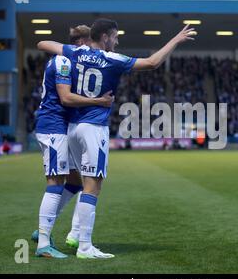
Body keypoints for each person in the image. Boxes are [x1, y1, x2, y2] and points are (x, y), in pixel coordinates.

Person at [37, 18, 195, 259]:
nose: (117, 41)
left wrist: (70, 47)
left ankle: (72, 236)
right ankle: (85, 246)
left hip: (72, 127)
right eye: (115, 36)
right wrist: (175, 39)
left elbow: (44, 44)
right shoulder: (113, 59)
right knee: (93, 185)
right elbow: (153, 62)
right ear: (105, 37)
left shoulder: (75, 52)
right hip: (94, 127)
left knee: (80, 181)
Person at [33, 25, 114, 258]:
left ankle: (43, 231)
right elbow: (66, 98)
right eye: (89, 44)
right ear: (81, 43)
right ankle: (44, 243)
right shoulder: (64, 62)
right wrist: (99, 101)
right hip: (53, 127)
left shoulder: (66, 61)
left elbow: (42, 44)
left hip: (59, 127)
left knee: (75, 181)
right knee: (55, 183)